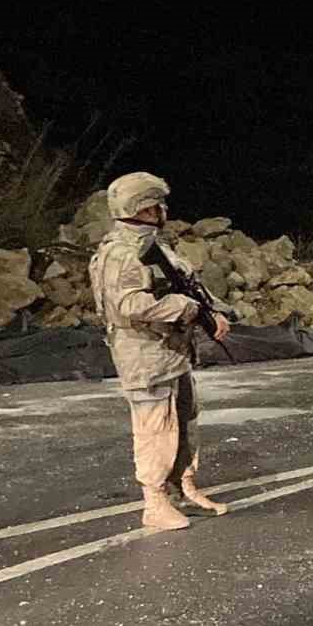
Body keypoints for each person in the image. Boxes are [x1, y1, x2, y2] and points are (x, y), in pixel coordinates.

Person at [89, 172, 232, 531]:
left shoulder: (154, 244)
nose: (164, 210)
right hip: (145, 354)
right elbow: (128, 305)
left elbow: (185, 285)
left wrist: (209, 310)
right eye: (158, 205)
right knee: (156, 427)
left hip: (171, 351)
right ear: (145, 208)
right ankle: (154, 502)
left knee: (184, 420)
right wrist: (186, 309)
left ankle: (182, 490)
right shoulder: (122, 253)